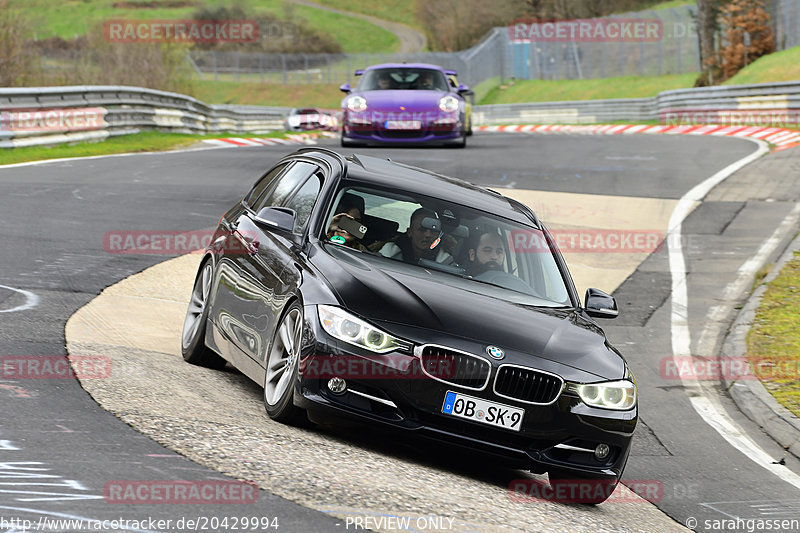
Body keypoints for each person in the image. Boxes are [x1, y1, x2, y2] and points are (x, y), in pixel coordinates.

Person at [379, 208, 453, 264]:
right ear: (410, 232)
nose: (428, 235)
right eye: (422, 230)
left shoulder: (446, 262)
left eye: (433, 230)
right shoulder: (389, 254)